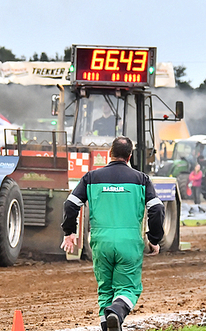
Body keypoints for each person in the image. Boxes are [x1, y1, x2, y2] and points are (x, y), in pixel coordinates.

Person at [61, 137, 165, 331]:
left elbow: (71, 204)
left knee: (105, 290)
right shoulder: (142, 179)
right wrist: (154, 239)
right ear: (130, 156)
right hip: (129, 243)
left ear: (109, 153)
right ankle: (116, 312)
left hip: (101, 242)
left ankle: (107, 323)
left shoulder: (91, 177)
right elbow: (157, 209)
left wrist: (69, 232)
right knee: (129, 288)